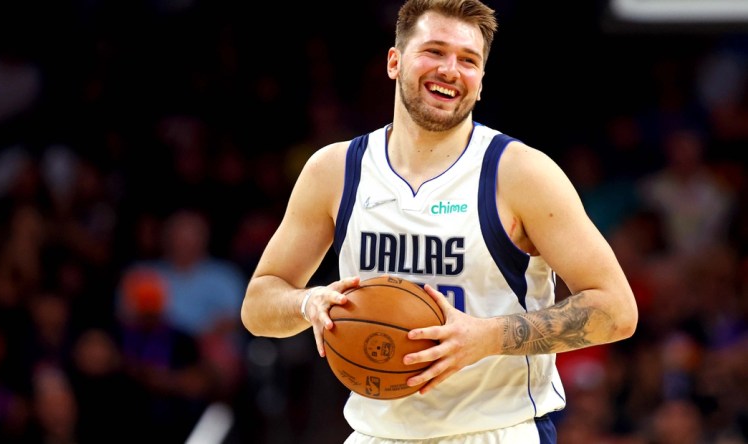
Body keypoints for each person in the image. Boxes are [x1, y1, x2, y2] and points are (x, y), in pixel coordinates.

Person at [240, 0, 639, 442]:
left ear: (481, 82)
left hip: (495, 430)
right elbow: (258, 304)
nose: (450, 70)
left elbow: (616, 310)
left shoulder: (520, 173)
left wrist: (486, 337)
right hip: (375, 432)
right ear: (394, 62)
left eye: (468, 60)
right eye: (434, 51)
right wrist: (307, 304)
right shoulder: (335, 170)